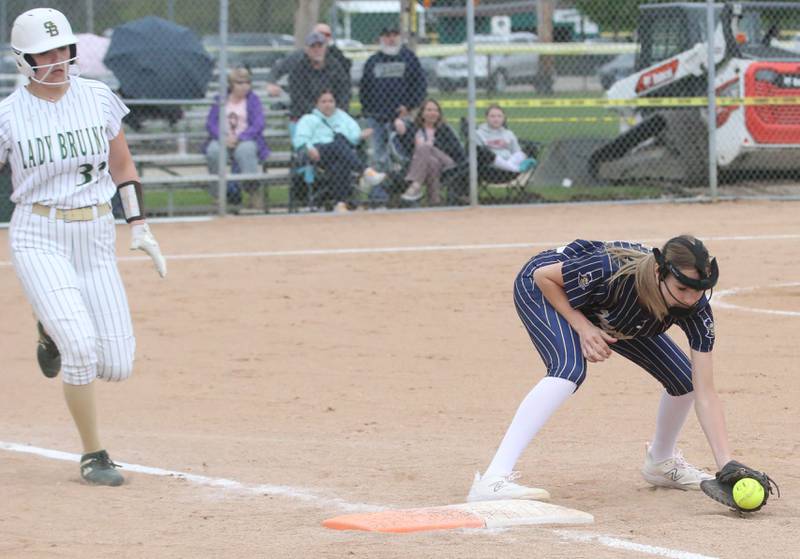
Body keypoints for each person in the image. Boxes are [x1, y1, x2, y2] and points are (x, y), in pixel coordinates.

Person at [2, 8, 167, 486]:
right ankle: (94, 454)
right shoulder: (8, 116)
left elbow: (123, 166)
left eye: (61, 50)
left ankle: (47, 328)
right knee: (80, 348)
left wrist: (139, 224)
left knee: (115, 364)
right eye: (43, 54)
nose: (56, 61)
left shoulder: (96, 96)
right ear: (22, 59)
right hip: (39, 233)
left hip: (95, 236)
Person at [466, 236, 739, 502]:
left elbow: (705, 392)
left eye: (699, 291)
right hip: (546, 287)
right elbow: (543, 276)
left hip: (606, 310)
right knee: (569, 369)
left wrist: (726, 464)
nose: (691, 299)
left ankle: (661, 462)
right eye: (682, 289)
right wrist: (582, 327)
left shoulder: (695, 311)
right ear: (659, 272)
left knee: (685, 380)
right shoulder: (611, 270)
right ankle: (492, 479)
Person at [293, 89, 386, 212]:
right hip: (316, 152)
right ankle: (365, 171)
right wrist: (310, 148)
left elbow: (353, 135)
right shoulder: (308, 119)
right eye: (323, 101)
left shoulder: (342, 116)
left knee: (339, 162)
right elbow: (301, 138)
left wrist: (360, 136)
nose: (328, 104)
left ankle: (340, 203)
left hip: (338, 154)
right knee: (339, 143)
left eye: (331, 101)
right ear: (317, 104)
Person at [359, 25, 427, 172]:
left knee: (401, 154)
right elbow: (364, 89)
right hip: (377, 117)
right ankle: (380, 188)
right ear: (381, 39)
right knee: (379, 155)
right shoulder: (372, 61)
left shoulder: (409, 58)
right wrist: (368, 112)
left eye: (394, 35)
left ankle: (402, 184)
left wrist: (409, 107)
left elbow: (420, 86)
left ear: (399, 37)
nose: (391, 39)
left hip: (403, 116)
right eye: (387, 35)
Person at [204, 66, 270, 210]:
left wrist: (241, 137)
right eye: (240, 83)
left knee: (245, 152)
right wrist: (223, 138)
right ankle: (218, 195)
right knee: (213, 152)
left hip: (246, 139)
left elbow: (259, 124)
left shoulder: (253, 100)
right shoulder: (220, 99)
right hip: (222, 139)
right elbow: (211, 123)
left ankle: (253, 193)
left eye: (247, 82)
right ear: (231, 84)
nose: (244, 86)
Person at [394, 98, 464, 204]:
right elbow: (407, 149)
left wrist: (432, 146)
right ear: (422, 113)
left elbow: (456, 150)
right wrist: (400, 128)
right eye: (429, 110)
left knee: (425, 147)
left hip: (447, 163)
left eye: (435, 110)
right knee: (432, 162)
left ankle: (416, 184)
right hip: (425, 164)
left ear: (439, 114)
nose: (433, 113)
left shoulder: (445, 129)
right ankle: (434, 201)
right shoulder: (415, 128)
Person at [265, 23, 351, 98]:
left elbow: (344, 86)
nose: (323, 37)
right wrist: (271, 83)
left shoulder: (338, 58)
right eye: (320, 33)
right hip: (305, 100)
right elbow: (278, 68)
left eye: (327, 34)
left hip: (332, 101)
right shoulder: (299, 58)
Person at [286, 31, 351, 122]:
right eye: (313, 46)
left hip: (333, 116)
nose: (317, 50)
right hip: (305, 117)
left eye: (320, 46)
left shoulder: (336, 67)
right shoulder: (298, 70)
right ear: (306, 49)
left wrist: (334, 112)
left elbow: (344, 94)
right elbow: (298, 99)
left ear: (325, 48)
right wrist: (319, 113)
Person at [476, 104, 536, 174]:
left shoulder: (509, 133)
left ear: (503, 118)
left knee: (521, 153)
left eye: (499, 116)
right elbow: (479, 154)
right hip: (490, 169)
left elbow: (516, 152)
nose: (496, 119)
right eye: (492, 116)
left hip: (509, 167)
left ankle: (509, 167)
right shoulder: (478, 133)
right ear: (486, 118)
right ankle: (517, 169)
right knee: (485, 153)